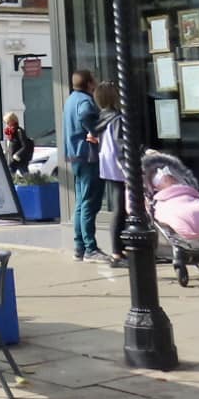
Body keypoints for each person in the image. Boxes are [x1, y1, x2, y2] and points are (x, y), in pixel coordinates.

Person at [64, 69, 106, 262]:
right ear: (89, 83)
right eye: (94, 80)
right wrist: (95, 130)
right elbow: (85, 116)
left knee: (81, 202)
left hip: (75, 156)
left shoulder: (71, 99)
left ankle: (80, 246)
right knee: (89, 202)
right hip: (87, 155)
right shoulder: (85, 101)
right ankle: (90, 247)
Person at [93, 82, 130, 268]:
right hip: (118, 167)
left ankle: (120, 250)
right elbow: (121, 144)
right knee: (120, 209)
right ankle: (117, 252)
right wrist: (129, 168)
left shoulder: (103, 117)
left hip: (108, 166)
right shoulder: (117, 118)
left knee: (119, 208)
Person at [2, 112, 35, 176]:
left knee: (26, 176)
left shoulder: (19, 131)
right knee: (10, 177)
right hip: (12, 161)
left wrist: (17, 155)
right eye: (6, 122)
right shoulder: (11, 132)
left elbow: (25, 146)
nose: (7, 124)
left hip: (20, 160)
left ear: (13, 121)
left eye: (8, 122)